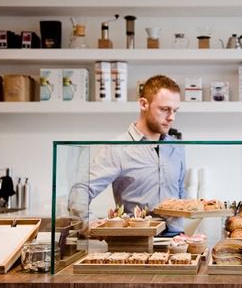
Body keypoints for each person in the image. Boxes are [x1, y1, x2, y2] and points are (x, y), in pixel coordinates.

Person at [68, 75, 185, 235]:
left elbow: (180, 193)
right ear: (144, 104)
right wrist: (89, 226)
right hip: (135, 242)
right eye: (164, 109)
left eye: (175, 110)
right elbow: (80, 190)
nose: (171, 117)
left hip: (175, 242)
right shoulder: (118, 148)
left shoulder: (176, 147)